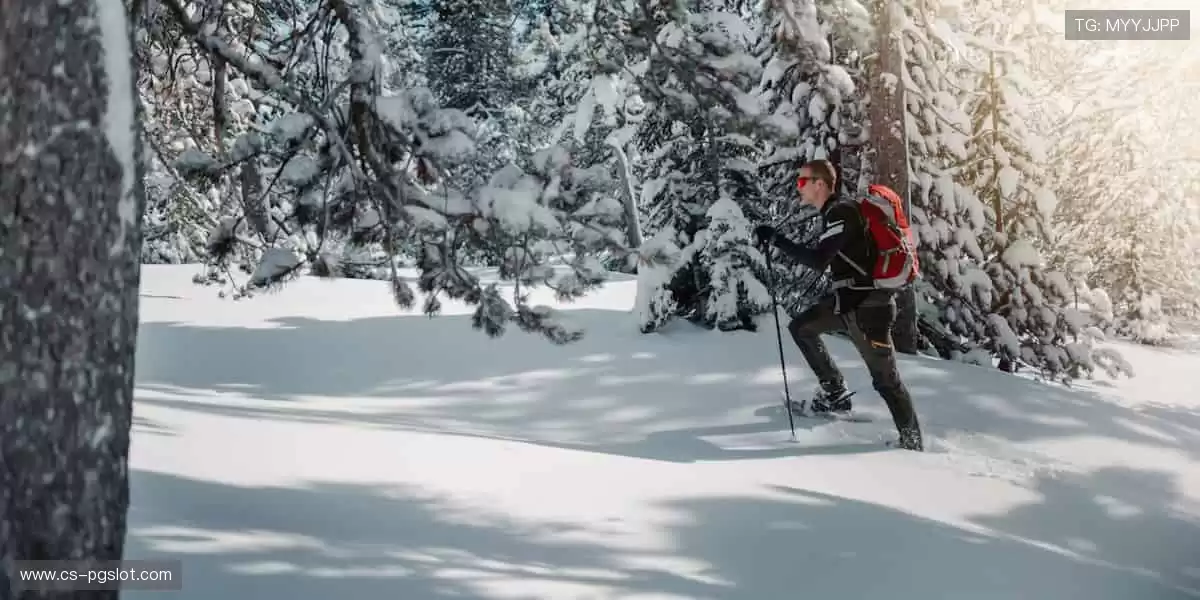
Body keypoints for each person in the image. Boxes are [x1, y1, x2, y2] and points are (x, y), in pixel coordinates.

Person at [753, 159, 924, 451]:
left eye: (802, 181)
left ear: (820, 184)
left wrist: (776, 239)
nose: (798, 187)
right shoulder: (837, 213)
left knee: (886, 381)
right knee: (802, 327)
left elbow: (819, 260)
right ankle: (835, 393)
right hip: (848, 304)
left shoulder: (841, 212)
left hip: (870, 310)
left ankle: (912, 442)